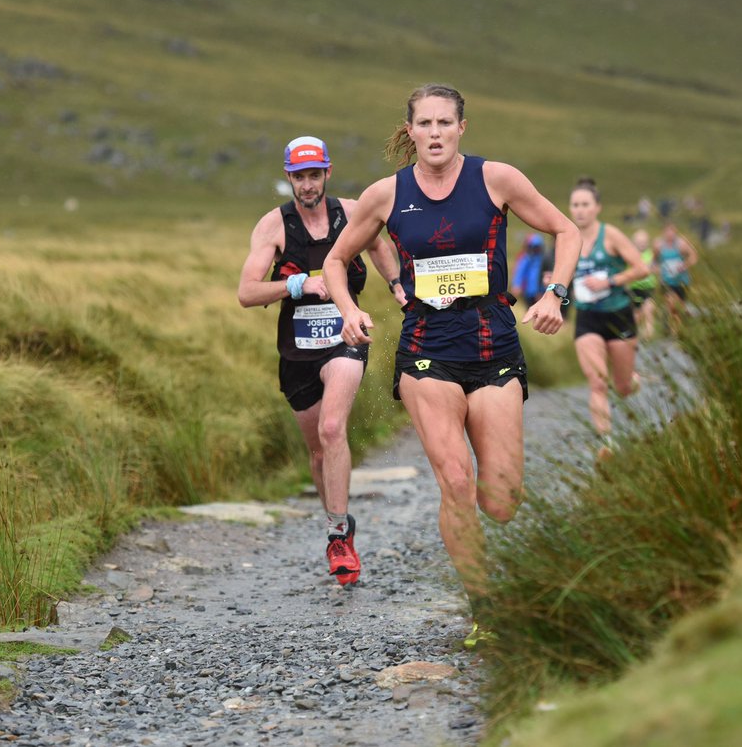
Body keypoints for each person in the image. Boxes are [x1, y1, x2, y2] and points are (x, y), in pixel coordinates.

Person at [321, 84, 580, 644]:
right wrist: (347, 310)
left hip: (493, 342)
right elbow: (336, 259)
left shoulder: (497, 179)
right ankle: (485, 609)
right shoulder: (386, 195)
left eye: (445, 123)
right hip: (427, 346)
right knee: (456, 481)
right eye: (425, 123)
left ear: (462, 127)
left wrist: (556, 293)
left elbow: (567, 230)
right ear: (409, 131)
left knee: (502, 500)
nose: (435, 133)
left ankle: (490, 560)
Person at [237, 136, 405, 586]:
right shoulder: (273, 227)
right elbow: (247, 293)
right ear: (288, 177)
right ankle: (334, 517)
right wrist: (297, 287)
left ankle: (339, 535)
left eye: (315, 175)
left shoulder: (350, 213)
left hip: (345, 335)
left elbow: (379, 246)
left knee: (334, 429)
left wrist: (397, 286)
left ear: (327, 174)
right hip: (296, 350)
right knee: (317, 449)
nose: (307, 184)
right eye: (299, 176)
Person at [568, 179, 649, 456]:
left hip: (618, 315)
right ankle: (606, 444)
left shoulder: (610, 235)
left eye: (585, 205)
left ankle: (632, 379)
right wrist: (553, 282)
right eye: (575, 205)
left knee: (623, 387)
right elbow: (562, 274)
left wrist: (610, 281)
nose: (579, 211)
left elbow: (641, 269)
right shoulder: (567, 237)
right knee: (598, 382)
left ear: (597, 208)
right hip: (587, 318)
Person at [655, 222, 699, 334]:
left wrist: (684, 266)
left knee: (680, 307)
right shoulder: (658, 245)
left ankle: (682, 326)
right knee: (671, 305)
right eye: (667, 232)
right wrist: (658, 269)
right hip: (666, 281)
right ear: (663, 232)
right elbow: (655, 260)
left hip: (681, 281)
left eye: (672, 232)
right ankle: (673, 331)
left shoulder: (681, 244)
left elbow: (694, 256)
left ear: (675, 232)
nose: (670, 234)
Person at [627, 229, 658, 340]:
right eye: (639, 242)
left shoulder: (651, 254)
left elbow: (656, 269)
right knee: (637, 314)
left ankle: (649, 335)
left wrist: (653, 269)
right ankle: (633, 335)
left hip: (649, 287)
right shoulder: (630, 254)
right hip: (634, 288)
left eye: (644, 242)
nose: (641, 244)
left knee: (649, 310)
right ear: (634, 242)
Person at [511, 233, 547, 307]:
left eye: (537, 247)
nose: (536, 249)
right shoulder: (527, 258)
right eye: (534, 247)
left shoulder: (543, 259)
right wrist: (517, 284)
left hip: (540, 291)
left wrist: (542, 290)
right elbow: (520, 272)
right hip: (528, 290)